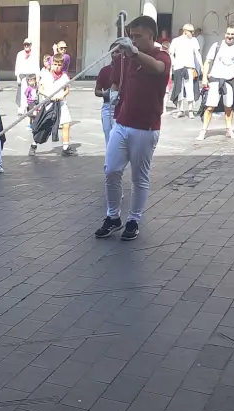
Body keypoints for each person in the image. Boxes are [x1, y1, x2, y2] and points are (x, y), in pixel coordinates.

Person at [95, 15, 171, 242]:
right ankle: (113, 216)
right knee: (111, 171)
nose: (134, 40)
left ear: (151, 35)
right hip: (122, 123)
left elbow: (158, 69)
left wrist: (134, 52)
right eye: (131, 36)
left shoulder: (162, 56)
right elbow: (117, 78)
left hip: (145, 128)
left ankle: (134, 220)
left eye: (138, 36)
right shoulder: (126, 58)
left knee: (139, 178)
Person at [198, 25, 234, 140]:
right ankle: (203, 130)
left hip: (230, 81)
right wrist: (204, 78)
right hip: (215, 79)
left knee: (229, 107)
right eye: (228, 33)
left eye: (232, 34)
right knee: (210, 107)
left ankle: (229, 130)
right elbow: (208, 61)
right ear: (225, 34)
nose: (230, 36)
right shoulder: (217, 46)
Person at [39, 55, 74, 155]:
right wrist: (49, 96)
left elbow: (67, 90)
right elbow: (40, 89)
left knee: (66, 124)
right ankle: (34, 144)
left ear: (62, 65)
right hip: (49, 103)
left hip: (61, 103)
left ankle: (66, 147)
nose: (57, 66)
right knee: (43, 125)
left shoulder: (64, 76)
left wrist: (62, 95)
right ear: (51, 64)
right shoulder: (46, 76)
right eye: (55, 64)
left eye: (59, 64)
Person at [168, 24, 200, 118]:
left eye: (193, 31)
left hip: (190, 67)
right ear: (185, 31)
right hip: (178, 67)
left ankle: (190, 110)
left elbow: (197, 53)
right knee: (179, 89)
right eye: (191, 31)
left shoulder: (194, 41)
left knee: (190, 89)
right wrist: (174, 63)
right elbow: (171, 53)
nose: (192, 33)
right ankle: (180, 110)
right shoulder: (176, 41)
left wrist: (201, 66)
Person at [96, 45, 118, 144]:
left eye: (117, 52)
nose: (114, 54)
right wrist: (105, 93)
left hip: (122, 108)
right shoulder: (105, 71)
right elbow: (97, 91)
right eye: (112, 52)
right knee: (109, 140)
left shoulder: (127, 70)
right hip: (108, 108)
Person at [14, 38, 39, 110]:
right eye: (25, 45)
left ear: (30, 45)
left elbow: (36, 65)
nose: (26, 46)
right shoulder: (20, 54)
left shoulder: (34, 54)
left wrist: (37, 77)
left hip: (31, 76)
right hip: (23, 76)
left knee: (32, 92)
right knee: (22, 92)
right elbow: (17, 65)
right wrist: (18, 77)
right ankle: (21, 108)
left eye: (28, 44)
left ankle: (31, 107)